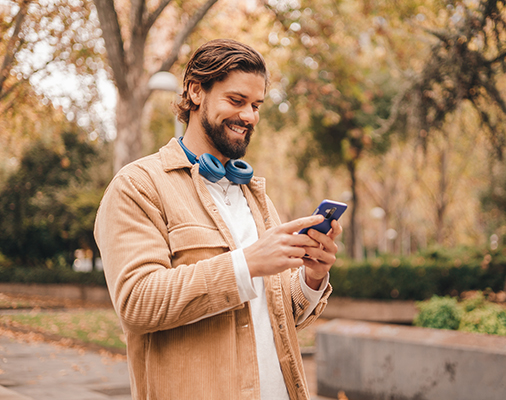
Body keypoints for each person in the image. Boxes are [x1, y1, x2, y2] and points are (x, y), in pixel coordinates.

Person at [94, 38, 343, 400]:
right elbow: (137, 302)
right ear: (196, 91)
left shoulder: (255, 197)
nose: (250, 116)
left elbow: (279, 315)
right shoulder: (137, 186)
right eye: (236, 101)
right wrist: (246, 264)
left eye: (256, 105)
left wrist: (312, 276)